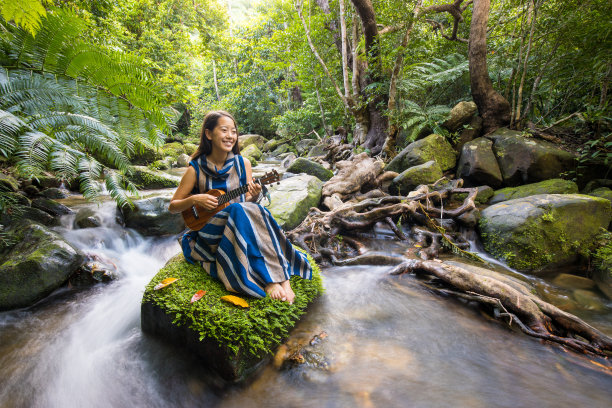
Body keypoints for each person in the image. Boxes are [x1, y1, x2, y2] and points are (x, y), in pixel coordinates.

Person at [168, 110, 311, 304]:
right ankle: (269, 281)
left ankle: (283, 280)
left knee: (256, 210)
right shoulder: (195, 169)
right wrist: (195, 200)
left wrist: (254, 194)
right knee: (238, 210)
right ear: (209, 134)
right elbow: (173, 206)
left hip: (239, 229)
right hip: (210, 233)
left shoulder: (244, 164)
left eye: (233, 131)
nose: (230, 136)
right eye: (224, 130)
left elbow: (248, 204)